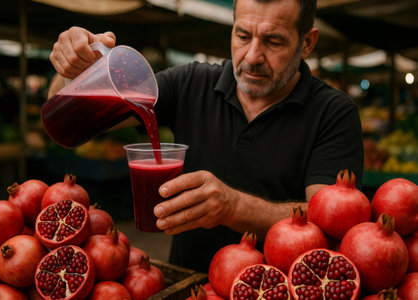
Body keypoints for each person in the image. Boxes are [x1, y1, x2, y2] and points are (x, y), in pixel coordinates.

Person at [47, 0, 364, 272]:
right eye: (243, 35)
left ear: (307, 42)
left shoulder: (334, 113)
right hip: (189, 283)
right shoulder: (190, 83)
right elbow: (69, 119)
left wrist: (235, 207)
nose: (252, 56)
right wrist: (74, 70)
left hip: (279, 287)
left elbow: (333, 225)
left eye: (274, 41)